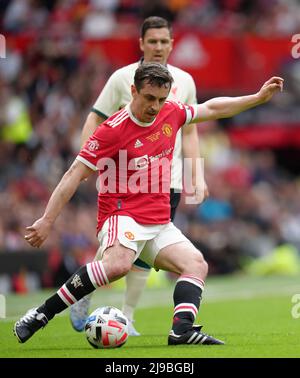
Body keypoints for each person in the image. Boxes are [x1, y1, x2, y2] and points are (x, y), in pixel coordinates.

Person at [14, 63, 283, 346]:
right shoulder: (112, 131)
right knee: (118, 265)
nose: (156, 106)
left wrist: (256, 97)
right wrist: (46, 220)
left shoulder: (171, 112)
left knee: (196, 264)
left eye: (161, 99)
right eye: (149, 98)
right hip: (122, 214)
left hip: (157, 220)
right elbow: (72, 175)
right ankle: (41, 315)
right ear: (134, 91)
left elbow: (213, 109)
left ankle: (181, 331)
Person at [70, 16, 208, 336]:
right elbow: (95, 118)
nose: (159, 47)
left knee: (146, 251)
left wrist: (197, 174)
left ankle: (126, 316)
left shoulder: (184, 81)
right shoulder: (122, 78)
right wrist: (86, 159)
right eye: (153, 41)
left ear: (172, 44)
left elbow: (190, 131)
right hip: (125, 179)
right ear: (141, 43)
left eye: (164, 41)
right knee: (123, 248)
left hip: (167, 179)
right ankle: (85, 287)